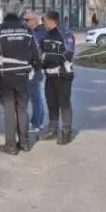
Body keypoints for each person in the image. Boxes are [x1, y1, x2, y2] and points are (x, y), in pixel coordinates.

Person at [0, 0, 41, 155]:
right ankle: (24, 143)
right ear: (20, 13)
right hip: (23, 76)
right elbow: (36, 53)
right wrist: (36, 69)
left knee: (9, 110)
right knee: (22, 109)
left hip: (5, 75)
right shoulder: (27, 30)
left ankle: (10, 146)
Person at [39, 10, 76, 145]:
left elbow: (68, 55)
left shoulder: (66, 34)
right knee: (51, 104)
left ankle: (66, 132)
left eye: (44, 21)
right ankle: (52, 130)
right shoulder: (45, 34)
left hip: (63, 75)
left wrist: (47, 57)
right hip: (49, 75)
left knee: (64, 104)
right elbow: (40, 53)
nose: (43, 24)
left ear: (50, 21)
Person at [23, 10, 46, 134]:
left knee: (34, 97)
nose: (25, 22)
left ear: (35, 20)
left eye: (27, 20)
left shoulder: (38, 33)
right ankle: (39, 122)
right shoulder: (39, 32)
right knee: (36, 96)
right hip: (36, 68)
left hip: (33, 68)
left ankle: (36, 123)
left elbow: (36, 52)